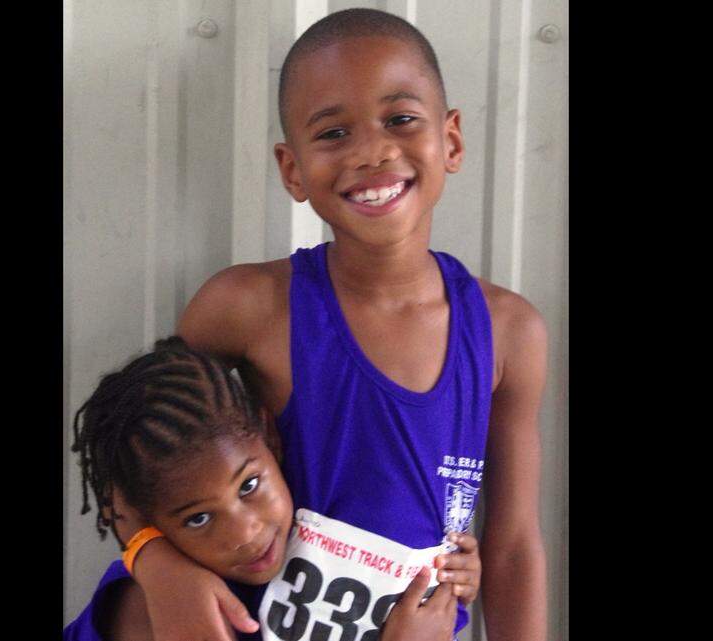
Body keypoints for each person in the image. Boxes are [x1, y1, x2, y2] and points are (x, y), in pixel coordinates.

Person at [115, 8, 548, 641]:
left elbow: (510, 549)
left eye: (400, 119)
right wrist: (153, 563)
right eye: (334, 133)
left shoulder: (509, 331)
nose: (372, 151)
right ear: (292, 170)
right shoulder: (245, 307)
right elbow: (133, 462)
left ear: (450, 141)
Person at [65, 337, 479, 641]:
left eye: (248, 485)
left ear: (270, 438)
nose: (244, 533)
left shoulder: (312, 555)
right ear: (148, 520)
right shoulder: (152, 609)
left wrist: (451, 582)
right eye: (199, 518)